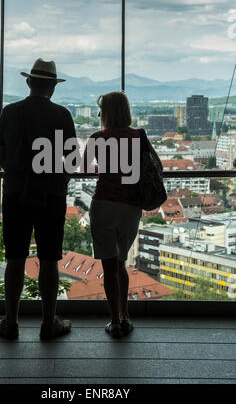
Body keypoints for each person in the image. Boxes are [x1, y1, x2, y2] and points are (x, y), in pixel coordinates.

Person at [0, 58, 79, 340]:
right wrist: (55, 179)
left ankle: (11, 321)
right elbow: (72, 160)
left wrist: (19, 172)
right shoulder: (62, 116)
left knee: (16, 258)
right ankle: (48, 322)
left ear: (29, 82)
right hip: (51, 195)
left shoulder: (9, 112)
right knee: (50, 260)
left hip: (16, 193)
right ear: (52, 87)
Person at [81, 91, 161, 338]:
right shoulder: (139, 137)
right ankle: (126, 315)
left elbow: (84, 167)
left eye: (100, 110)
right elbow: (157, 166)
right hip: (130, 207)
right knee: (121, 263)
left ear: (106, 113)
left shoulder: (97, 138)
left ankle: (114, 320)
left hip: (104, 204)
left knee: (108, 266)